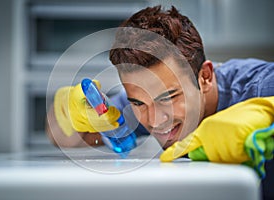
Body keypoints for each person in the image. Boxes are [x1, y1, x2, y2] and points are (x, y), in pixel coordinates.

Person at [45, 5, 274, 199]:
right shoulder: (142, 104)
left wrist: (267, 110)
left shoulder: (260, 87)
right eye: (139, 103)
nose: (154, 119)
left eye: (168, 97)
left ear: (205, 77)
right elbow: (64, 136)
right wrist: (66, 112)